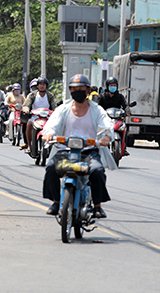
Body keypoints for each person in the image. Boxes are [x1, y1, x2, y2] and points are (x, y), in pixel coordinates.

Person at [42, 74, 114, 219]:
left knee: (97, 171)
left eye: (80, 88)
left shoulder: (96, 110)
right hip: (65, 151)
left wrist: (106, 136)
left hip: (88, 152)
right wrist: (49, 134)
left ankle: (97, 206)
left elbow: (107, 126)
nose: (77, 91)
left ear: (87, 90)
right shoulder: (63, 109)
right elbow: (51, 125)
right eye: (74, 89)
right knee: (50, 168)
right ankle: (56, 202)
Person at [21, 76, 57, 152]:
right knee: (29, 124)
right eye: (40, 84)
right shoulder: (32, 95)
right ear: (37, 86)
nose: (42, 86)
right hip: (35, 116)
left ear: (46, 85)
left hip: (47, 117)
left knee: (55, 127)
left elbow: (54, 105)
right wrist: (26, 109)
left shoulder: (50, 95)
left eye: (43, 84)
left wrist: (56, 111)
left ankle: (54, 146)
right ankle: (29, 146)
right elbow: (26, 104)